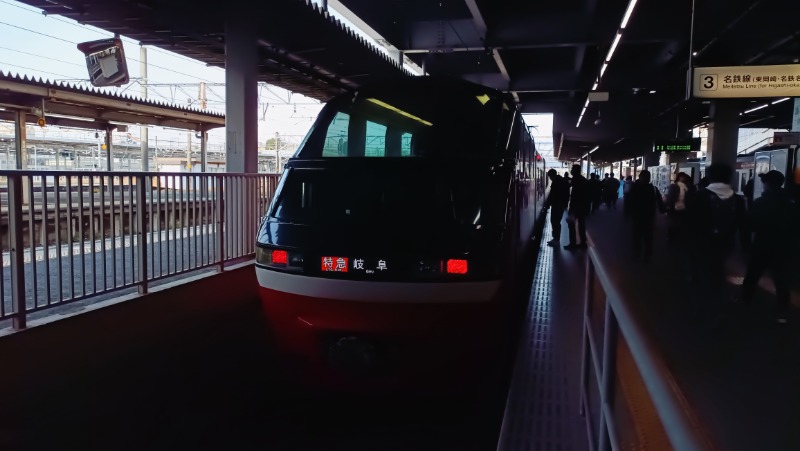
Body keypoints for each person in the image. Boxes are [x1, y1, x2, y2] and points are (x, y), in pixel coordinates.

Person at [686, 163, 749, 316]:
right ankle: (718, 304)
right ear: (729, 177)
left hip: (702, 243)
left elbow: (691, 223)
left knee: (704, 273)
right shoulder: (738, 200)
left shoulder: (699, 196)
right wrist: (745, 247)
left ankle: (704, 307)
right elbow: (743, 226)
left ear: (709, 176)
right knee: (717, 270)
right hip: (726, 243)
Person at [741, 170, 794, 324]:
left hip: (762, 245)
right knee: (782, 279)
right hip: (784, 247)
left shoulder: (760, 202)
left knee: (752, 275)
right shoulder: (791, 203)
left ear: (768, 184)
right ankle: (782, 311)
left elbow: (751, 224)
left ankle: (746, 302)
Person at [628, 170, 665, 262]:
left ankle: (637, 253)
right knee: (648, 237)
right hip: (649, 217)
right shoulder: (654, 189)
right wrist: (663, 210)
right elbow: (660, 202)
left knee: (637, 236)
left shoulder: (635, 188)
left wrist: (630, 213)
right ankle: (647, 256)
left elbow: (630, 202)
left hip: (638, 217)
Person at [564, 165, 590, 250]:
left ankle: (573, 244)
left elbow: (568, 186)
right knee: (581, 225)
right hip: (583, 206)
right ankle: (583, 243)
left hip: (575, 207)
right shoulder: (584, 180)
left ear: (576, 170)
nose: (571, 171)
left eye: (572, 169)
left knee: (571, 225)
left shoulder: (575, 179)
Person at [544, 169, 570, 247]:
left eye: (550, 177)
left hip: (557, 205)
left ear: (552, 175)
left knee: (555, 221)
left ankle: (556, 239)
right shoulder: (562, 180)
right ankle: (555, 238)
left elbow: (552, 194)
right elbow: (567, 193)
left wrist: (548, 204)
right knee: (556, 221)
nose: (550, 178)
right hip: (560, 205)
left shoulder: (556, 182)